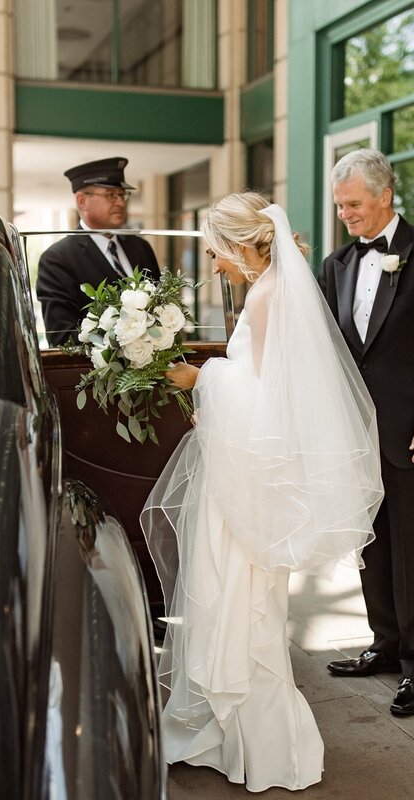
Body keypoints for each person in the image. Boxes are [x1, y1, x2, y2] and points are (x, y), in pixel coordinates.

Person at [142, 193, 383, 792]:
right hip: (240, 472)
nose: (214, 264)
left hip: (249, 477)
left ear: (239, 243)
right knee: (232, 600)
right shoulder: (270, 289)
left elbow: (274, 400)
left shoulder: (272, 295)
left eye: (216, 251)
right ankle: (230, 739)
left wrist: (202, 379)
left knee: (242, 602)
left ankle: (270, 748)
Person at [319, 149, 414, 717]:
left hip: (412, 433)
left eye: (354, 204)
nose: (346, 215)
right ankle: (384, 645)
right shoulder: (336, 264)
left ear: (385, 196)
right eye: (340, 207)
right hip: (355, 435)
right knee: (372, 547)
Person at [36, 157, 161, 346]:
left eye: (122, 195)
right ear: (82, 201)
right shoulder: (58, 259)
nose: (120, 202)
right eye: (111, 195)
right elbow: (62, 337)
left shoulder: (140, 247)